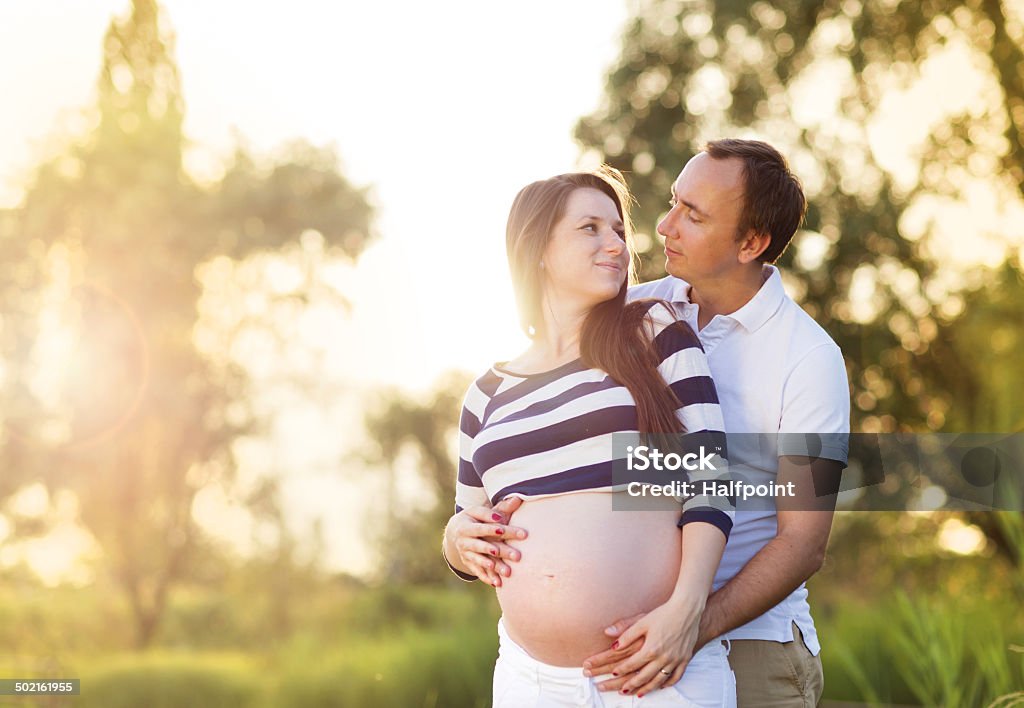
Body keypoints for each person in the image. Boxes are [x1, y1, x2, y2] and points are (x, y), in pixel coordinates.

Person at [442, 167, 738, 706]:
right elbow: (466, 525)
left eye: (619, 231)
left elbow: (711, 484)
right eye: (591, 229)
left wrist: (686, 612)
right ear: (538, 249)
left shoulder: (653, 334)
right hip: (530, 682)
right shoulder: (487, 392)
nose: (617, 245)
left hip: (653, 670)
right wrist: (454, 543)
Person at [580, 139, 851, 707]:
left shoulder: (808, 358)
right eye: (675, 202)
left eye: (692, 215)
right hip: (630, 645)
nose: (662, 225)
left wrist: (690, 625)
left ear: (751, 243)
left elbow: (803, 543)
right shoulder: (632, 312)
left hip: (749, 648)